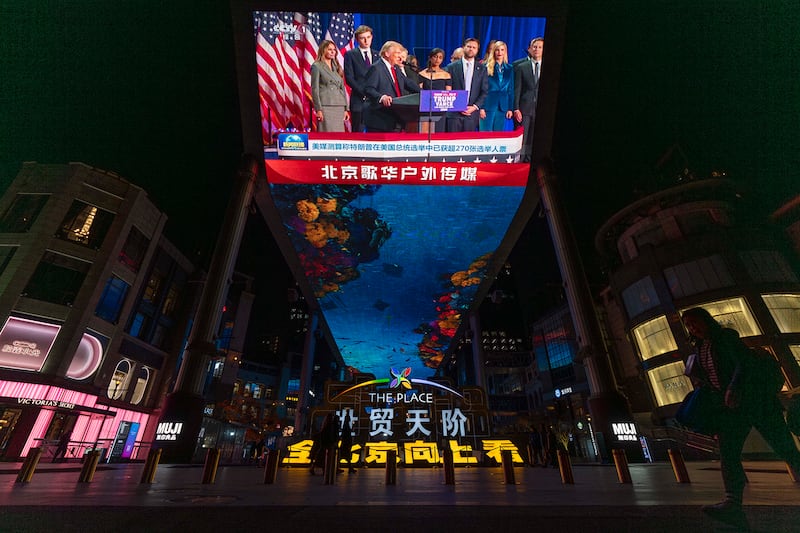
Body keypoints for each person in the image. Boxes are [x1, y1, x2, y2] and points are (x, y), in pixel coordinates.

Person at [681, 307, 800, 529]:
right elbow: (713, 378)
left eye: (695, 322)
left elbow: (742, 363)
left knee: (784, 447)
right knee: (728, 453)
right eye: (688, 325)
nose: (692, 328)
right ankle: (732, 504)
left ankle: (732, 505)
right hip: (730, 410)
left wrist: (733, 388)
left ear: (706, 321)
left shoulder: (725, 337)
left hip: (754, 402)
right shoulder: (700, 347)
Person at [363, 40, 420, 133]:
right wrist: (382, 97)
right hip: (379, 117)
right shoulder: (376, 68)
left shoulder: (396, 68)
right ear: (387, 53)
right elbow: (368, 89)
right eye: (397, 53)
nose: (400, 56)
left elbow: (408, 83)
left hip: (394, 116)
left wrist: (426, 93)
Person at [444, 37, 488, 133]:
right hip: (454, 114)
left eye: (474, 47)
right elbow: (447, 90)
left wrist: (474, 107)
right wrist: (457, 106)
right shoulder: (451, 67)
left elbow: (484, 91)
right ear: (464, 47)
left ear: (477, 50)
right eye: (469, 46)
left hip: (471, 115)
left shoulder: (482, 69)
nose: (471, 49)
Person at [343, 25, 378, 133]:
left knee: (375, 132)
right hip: (359, 100)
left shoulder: (378, 55)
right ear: (358, 39)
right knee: (358, 131)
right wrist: (364, 93)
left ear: (372, 37)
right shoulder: (350, 55)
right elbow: (349, 78)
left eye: (368, 37)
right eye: (363, 38)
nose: (366, 40)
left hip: (375, 102)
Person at [513, 37, 543, 162]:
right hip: (524, 109)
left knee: (534, 138)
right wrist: (516, 108)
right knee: (522, 137)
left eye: (540, 47)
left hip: (539, 109)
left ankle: (529, 162)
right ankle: (519, 160)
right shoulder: (522, 67)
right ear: (530, 49)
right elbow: (517, 89)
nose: (537, 50)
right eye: (534, 47)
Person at [311, 40, 350, 133]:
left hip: (339, 106)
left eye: (334, 50)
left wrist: (346, 109)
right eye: (329, 49)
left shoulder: (337, 67)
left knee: (339, 136)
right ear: (323, 50)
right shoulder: (317, 66)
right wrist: (318, 109)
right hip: (326, 106)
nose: (333, 52)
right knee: (327, 134)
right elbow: (314, 89)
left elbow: (342, 89)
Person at [479, 40, 514, 132]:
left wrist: (510, 108)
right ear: (493, 51)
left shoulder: (509, 68)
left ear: (505, 52)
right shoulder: (485, 66)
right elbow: (481, 88)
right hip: (487, 105)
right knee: (485, 135)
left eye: (502, 50)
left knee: (498, 136)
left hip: (502, 106)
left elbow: (510, 90)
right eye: (497, 50)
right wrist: (481, 107)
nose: (499, 52)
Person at [417, 48, 452, 134]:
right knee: (425, 135)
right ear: (430, 57)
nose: (437, 60)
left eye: (440, 57)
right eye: (435, 57)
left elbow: (448, 93)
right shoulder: (422, 74)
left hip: (440, 109)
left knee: (438, 134)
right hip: (426, 108)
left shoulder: (446, 75)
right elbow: (419, 91)